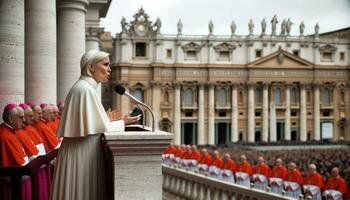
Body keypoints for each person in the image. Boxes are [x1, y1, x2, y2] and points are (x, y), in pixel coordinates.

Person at [50, 50, 140, 200]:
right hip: (82, 153)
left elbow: (93, 125)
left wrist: (108, 121)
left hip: (83, 151)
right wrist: (121, 123)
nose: (109, 69)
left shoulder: (85, 88)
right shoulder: (84, 89)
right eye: (105, 64)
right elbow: (96, 128)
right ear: (91, 67)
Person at [0, 104, 31, 200]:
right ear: (11, 118)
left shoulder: (12, 131)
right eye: (21, 117)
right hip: (11, 184)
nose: (24, 120)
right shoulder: (4, 135)